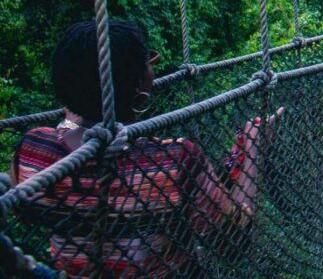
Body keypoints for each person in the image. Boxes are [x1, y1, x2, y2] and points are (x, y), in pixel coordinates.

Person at [9, 20, 279, 277]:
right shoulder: (173, 162)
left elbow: (26, 212)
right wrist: (254, 146)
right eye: (146, 65)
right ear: (138, 88)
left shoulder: (34, 152)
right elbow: (232, 244)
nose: (154, 69)